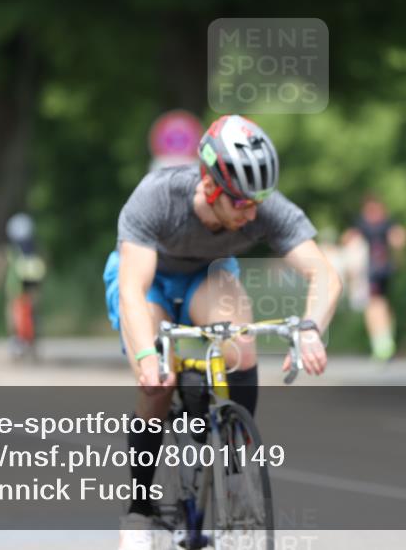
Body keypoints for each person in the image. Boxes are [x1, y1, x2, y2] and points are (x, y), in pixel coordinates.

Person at [103, 114, 341, 549]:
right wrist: (147, 358)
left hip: (207, 275)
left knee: (241, 345)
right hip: (148, 280)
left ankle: (236, 466)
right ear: (210, 186)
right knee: (159, 380)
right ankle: (139, 507)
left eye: (258, 203)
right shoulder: (157, 197)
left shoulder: (262, 206)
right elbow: (133, 290)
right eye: (241, 204)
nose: (251, 214)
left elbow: (323, 273)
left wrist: (310, 329)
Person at [342, 194, 406, 362]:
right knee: (380, 304)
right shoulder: (381, 223)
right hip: (380, 270)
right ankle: (385, 341)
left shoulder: (369, 225)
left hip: (374, 271)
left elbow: (347, 240)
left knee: (375, 305)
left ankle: (382, 344)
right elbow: (399, 238)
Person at [0, 213, 47, 357]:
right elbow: (43, 265)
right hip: (33, 285)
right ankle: (32, 341)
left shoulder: (7, 249)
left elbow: (0, 267)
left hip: (15, 286)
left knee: (12, 311)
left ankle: (15, 340)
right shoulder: (35, 248)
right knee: (33, 311)